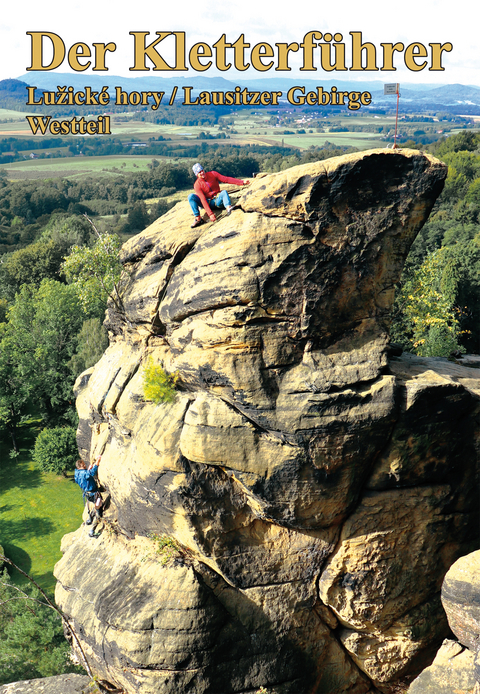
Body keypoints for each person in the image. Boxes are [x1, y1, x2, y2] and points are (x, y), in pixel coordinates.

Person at [188, 163, 249, 228]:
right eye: (199, 172)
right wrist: (210, 214)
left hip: (217, 200)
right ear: (196, 175)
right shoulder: (197, 185)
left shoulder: (212, 174)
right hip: (208, 202)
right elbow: (202, 199)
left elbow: (226, 179)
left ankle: (229, 209)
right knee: (191, 196)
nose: (202, 173)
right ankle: (198, 219)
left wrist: (242, 182)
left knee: (224, 192)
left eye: (202, 170)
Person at [75, 456, 102, 538]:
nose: (85, 465)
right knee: (99, 513)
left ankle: (89, 519)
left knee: (93, 505)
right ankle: (92, 531)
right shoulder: (84, 473)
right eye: (84, 465)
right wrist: (97, 462)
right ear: (81, 466)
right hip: (94, 494)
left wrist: (87, 470)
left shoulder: (77, 473)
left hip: (87, 494)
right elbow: (92, 473)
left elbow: (84, 476)